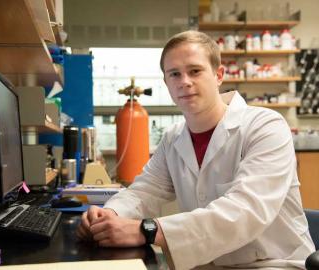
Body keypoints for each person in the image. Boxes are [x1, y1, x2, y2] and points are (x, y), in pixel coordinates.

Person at [76, 30, 315, 270]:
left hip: (273, 263)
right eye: (174, 74)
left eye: (195, 71)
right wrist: (109, 215)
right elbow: (144, 192)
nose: (185, 82)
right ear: (166, 83)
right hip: (208, 264)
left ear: (218, 75)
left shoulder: (265, 126)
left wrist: (147, 230)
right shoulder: (173, 139)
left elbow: (245, 210)